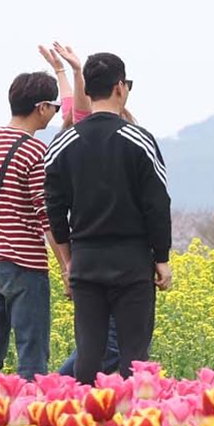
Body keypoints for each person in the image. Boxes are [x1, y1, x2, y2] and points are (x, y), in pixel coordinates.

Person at [42, 52, 172, 385]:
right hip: (132, 260)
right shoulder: (139, 139)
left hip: (86, 260)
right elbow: (157, 203)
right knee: (134, 355)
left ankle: (84, 413)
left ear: (89, 90)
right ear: (119, 87)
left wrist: (69, 261)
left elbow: (54, 209)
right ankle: (132, 414)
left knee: (89, 352)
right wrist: (161, 257)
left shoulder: (63, 144)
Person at [0, 71, 64, 380]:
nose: (56, 113)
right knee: (32, 350)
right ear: (42, 107)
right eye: (56, 107)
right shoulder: (35, 151)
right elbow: (46, 215)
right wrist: (66, 265)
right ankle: (31, 407)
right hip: (24, 265)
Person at [38, 43, 122, 377]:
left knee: (95, 340)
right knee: (107, 344)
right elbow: (80, 112)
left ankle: (62, 389)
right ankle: (57, 388)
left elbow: (74, 108)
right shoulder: (85, 139)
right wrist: (74, 71)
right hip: (101, 258)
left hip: (88, 257)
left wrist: (64, 71)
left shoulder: (67, 145)